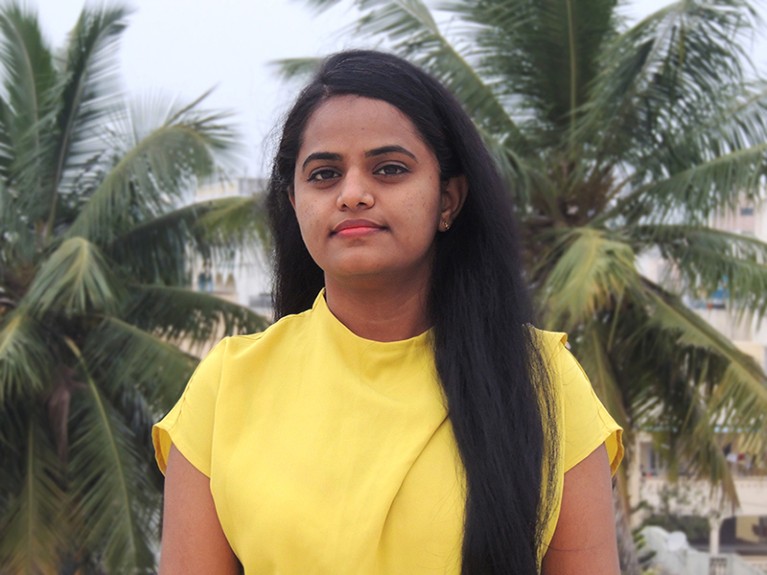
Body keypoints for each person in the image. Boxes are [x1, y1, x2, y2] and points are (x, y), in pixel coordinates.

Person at [153, 50, 624, 575]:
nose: (353, 194)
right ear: (294, 201)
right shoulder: (226, 387)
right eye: (324, 174)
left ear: (448, 199)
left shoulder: (543, 380)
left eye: (390, 169)